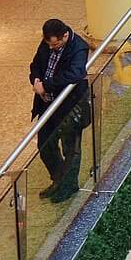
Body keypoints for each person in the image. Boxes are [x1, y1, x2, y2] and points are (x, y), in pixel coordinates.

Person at [29, 18, 89, 203]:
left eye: (56, 44)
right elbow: (36, 64)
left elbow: (75, 74)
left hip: (69, 105)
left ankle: (68, 186)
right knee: (45, 146)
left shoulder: (78, 47)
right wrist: (36, 80)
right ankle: (59, 179)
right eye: (49, 44)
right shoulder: (47, 44)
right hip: (47, 104)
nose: (52, 48)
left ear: (65, 36)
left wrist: (46, 85)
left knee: (70, 148)